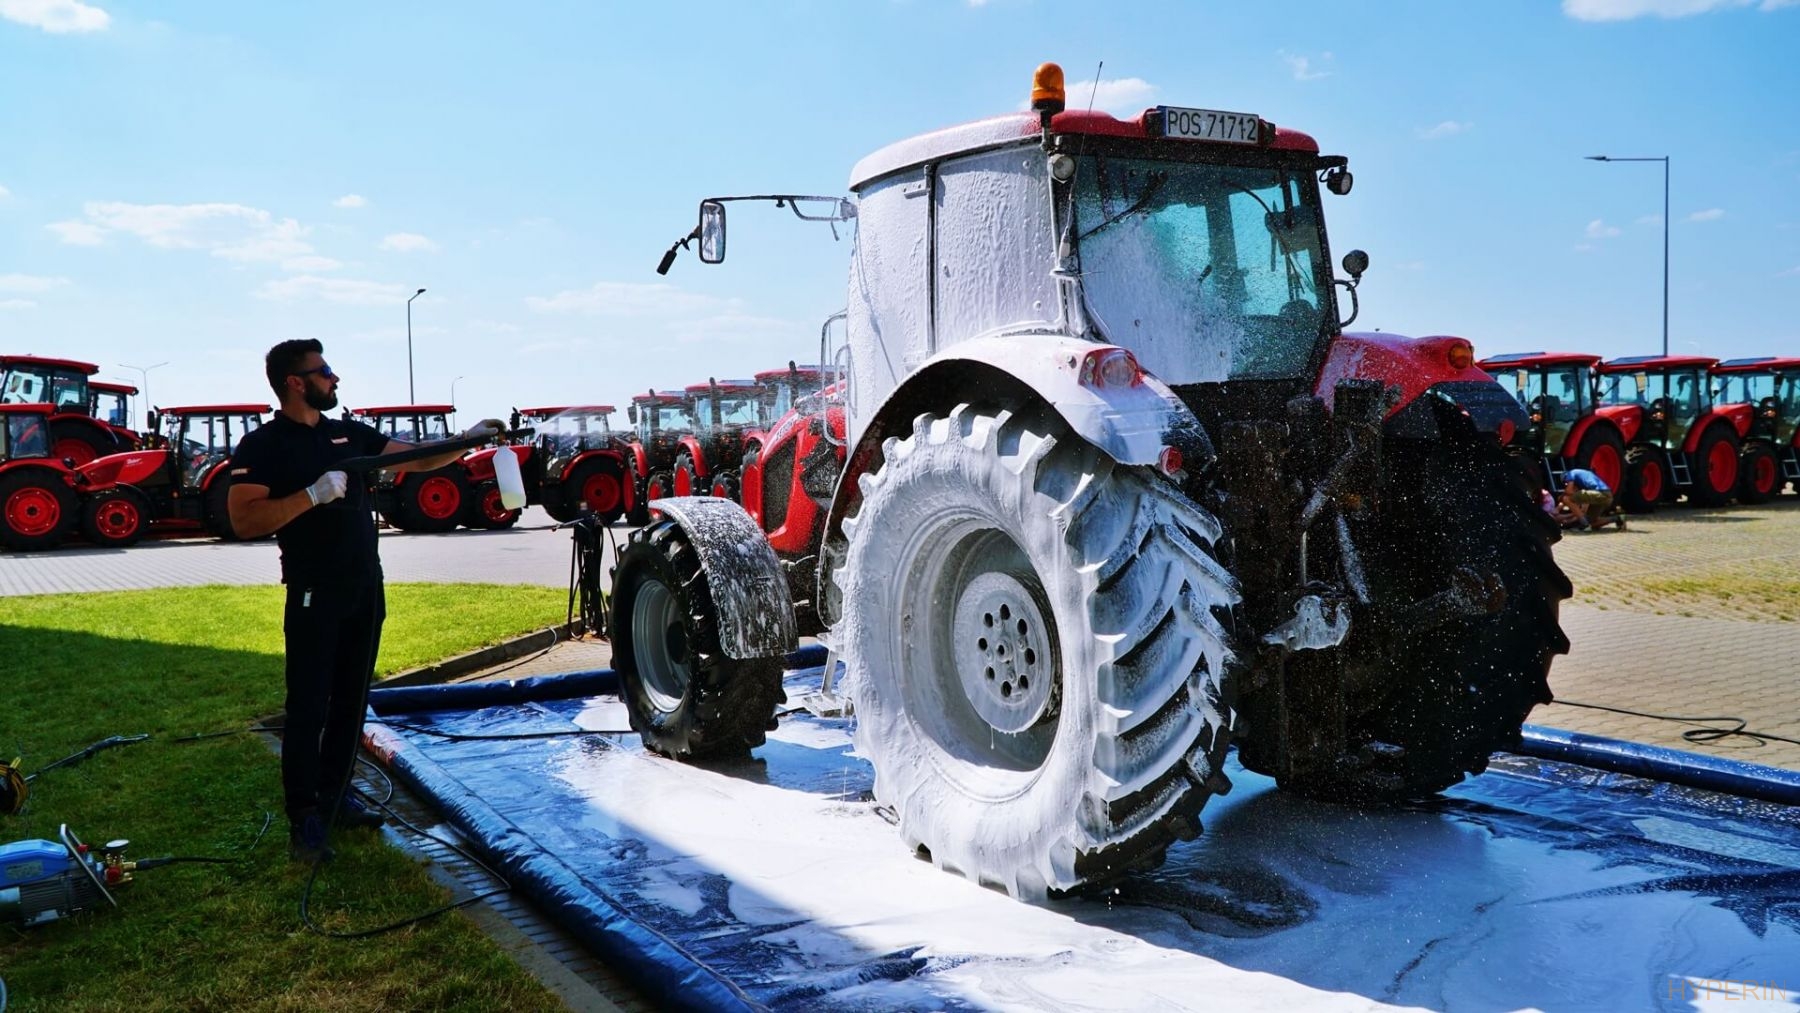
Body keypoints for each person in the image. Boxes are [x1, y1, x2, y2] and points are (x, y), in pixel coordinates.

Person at [228, 339, 503, 862]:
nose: (334, 379)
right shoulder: (264, 445)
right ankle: (304, 817)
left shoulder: (348, 434)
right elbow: (244, 519)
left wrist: (468, 440)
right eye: (324, 371)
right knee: (309, 706)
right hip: (314, 593)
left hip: (363, 590)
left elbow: (417, 459)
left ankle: (335, 797)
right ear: (294, 382)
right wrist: (311, 495)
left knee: (351, 702)